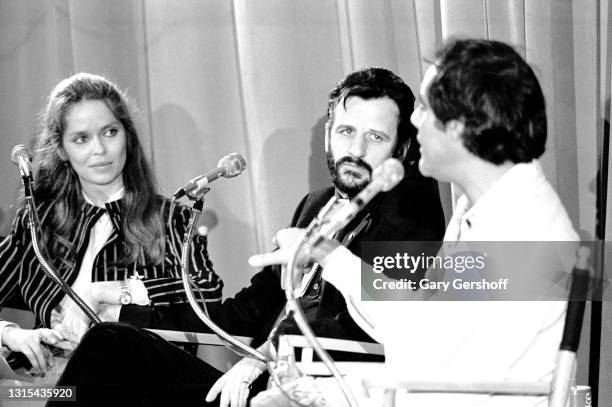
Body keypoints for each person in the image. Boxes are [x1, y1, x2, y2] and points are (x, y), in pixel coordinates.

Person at [49, 67, 445, 407]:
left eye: (376, 137)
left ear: (404, 148)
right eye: (346, 131)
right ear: (328, 134)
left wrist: (262, 354)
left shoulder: (410, 210)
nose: (355, 150)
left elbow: (369, 322)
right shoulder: (315, 204)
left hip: (312, 394)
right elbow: (247, 312)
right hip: (251, 388)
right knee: (113, 345)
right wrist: (124, 312)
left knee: (109, 355)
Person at [254, 39, 579, 406]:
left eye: (424, 108)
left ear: (460, 126)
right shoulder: (482, 207)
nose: (413, 120)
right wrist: (327, 252)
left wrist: (320, 398)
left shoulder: (521, 229)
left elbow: (435, 372)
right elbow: (421, 327)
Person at [0, 73, 222, 374]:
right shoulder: (38, 219)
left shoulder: (172, 217)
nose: (99, 150)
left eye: (109, 132)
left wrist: (106, 292)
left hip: (136, 384)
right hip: (47, 384)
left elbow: (207, 292)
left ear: (127, 136)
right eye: (81, 139)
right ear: (62, 150)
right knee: (12, 398)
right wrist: (12, 333)